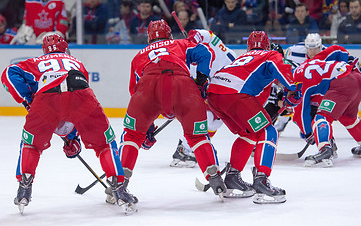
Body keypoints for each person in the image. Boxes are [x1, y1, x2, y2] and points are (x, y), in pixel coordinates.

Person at [1, 34, 137, 214]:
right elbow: (73, 104)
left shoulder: (37, 62)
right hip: (80, 92)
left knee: (31, 143)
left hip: (46, 97)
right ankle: (119, 188)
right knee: (104, 143)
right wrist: (72, 138)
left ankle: (24, 187)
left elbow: (8, 73)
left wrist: (27, 99)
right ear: (65, 48)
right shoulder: (76, 63)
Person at [115, 20, 227, 202]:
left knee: (132, 136)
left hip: (148, 88)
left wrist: (147, 127)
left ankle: (119, 185)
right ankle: (215, 179)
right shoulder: (180, 43)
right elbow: (205, 53)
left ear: (148, 38)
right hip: (182, 86)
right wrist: (201, 80)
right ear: (169, 34)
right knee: (197, 137)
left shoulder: (138, 56)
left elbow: (135, 91)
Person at [207, 31, 300, 204]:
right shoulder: (269, 55)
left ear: (248, 46)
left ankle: (232, 179)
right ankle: (261, 181)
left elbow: (255, 104)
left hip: (214, 94)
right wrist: (293, 88)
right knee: (268, 132)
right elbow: (280, 66)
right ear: (268, 46)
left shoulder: (242, 60)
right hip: (236, 94)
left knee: (249, 133)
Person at [170, 29, 237, 168]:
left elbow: (207, 34)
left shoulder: (225, 57)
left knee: (215, 121)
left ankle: (192, 146)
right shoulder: (195, 53)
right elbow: (199, 34)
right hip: (198, 89)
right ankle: (186, 149)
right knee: (205, 118)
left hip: (215, 89)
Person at [293, 44, 361, 167]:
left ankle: (325, 150)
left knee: (321, 118)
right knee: (348, 118)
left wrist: (308, 133)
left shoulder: (296, 81)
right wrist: (346, 57)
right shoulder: (310, 64)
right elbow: (336, 49)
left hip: (342, 83)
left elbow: (301, 112)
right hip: (355, 77)